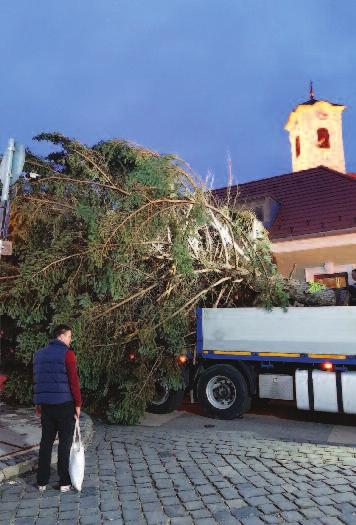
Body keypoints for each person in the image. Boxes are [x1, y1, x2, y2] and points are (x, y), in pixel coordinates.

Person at [33, 324, 81, 492]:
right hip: (64, 404)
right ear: (61, 336)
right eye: (69, 336)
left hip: (46, 405)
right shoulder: (68, 355)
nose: (70, 340)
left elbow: (38, 381)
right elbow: (74, 382)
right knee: (64, 443)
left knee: (46, 442)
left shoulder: (39, 355)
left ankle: (41, 481)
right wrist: (78, 404)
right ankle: (64, 482)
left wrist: (38, 403)